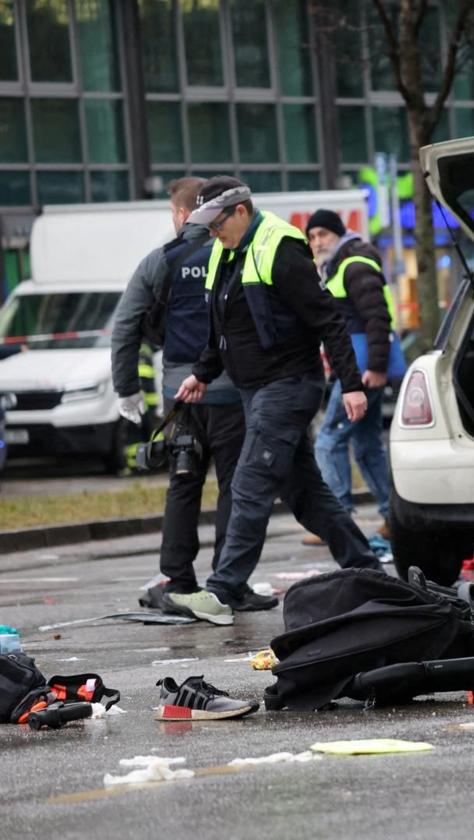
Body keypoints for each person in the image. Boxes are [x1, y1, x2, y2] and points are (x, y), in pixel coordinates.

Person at [170, 177, 382, 625]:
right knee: (306, 494)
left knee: (250, 482)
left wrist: (353, 384)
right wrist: (201, 375)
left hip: (289, 385)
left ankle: (222, 589)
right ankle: (370, 571)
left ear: (242, 211)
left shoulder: (280, 247)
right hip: (256, 391)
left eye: (217, 223)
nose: (212, 232)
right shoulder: (224, 253)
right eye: (205, 225)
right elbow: (224, 330)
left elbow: (329, 321)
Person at [109, 178, 263, 611]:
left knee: (183, 484)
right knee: (236, 486)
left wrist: (128, 390)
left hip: (182, 397)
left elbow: (126, 325)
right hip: (235, 391)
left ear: (181, 214)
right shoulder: (236, 251)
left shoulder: (163, 260)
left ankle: (177, 578)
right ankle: (230, 583)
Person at [304, 209, 399, 546]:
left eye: (323, 235)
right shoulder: (341, 264)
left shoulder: (354, 264)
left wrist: (375, 366)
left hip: (360, 369)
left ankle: (336, 519)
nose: (317, 242)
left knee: (329, 440)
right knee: (367, 445)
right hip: (360, 367)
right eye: (312, 237)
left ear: (338, 234)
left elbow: (376, 318)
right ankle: (395, 517)